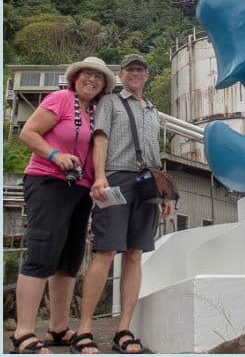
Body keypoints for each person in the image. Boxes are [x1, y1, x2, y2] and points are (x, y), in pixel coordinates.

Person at [10, 57, 115, 354]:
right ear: (75, 77)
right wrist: (55, 154)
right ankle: (24, 332)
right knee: (42, 250)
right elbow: (28, 132)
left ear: (104, 85)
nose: (92, 80)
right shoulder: (61, 99)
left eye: (98, 77)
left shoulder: (95, 112)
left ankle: (57, 327)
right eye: (87, 74)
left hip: (80, 189)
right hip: (49, 182)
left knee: (70, 258)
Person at [72, 54, 173, 355]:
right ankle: (84, 329)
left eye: (140, 69)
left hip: (147, 185)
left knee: (134, 254)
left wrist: (165, 195)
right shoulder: (111, 102)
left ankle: (124, 330)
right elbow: (99, 140)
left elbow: (156, 156)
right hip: (116, 177)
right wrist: (100, 176)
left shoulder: (153, 112)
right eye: (130, 68)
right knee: (104, 251)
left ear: (147, 75)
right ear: (121, 74)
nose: (135, 73)